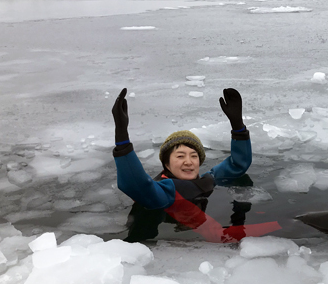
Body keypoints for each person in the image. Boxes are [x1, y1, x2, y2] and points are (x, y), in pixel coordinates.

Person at [111, 87, 281, 243]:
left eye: (194, 156)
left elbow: (237, 165)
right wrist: (122, 138)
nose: (188, 161)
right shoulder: (165, 192)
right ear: (166, 165)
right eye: (180, 156)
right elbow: (137, 186)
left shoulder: (205, 180)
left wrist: (238, 126)